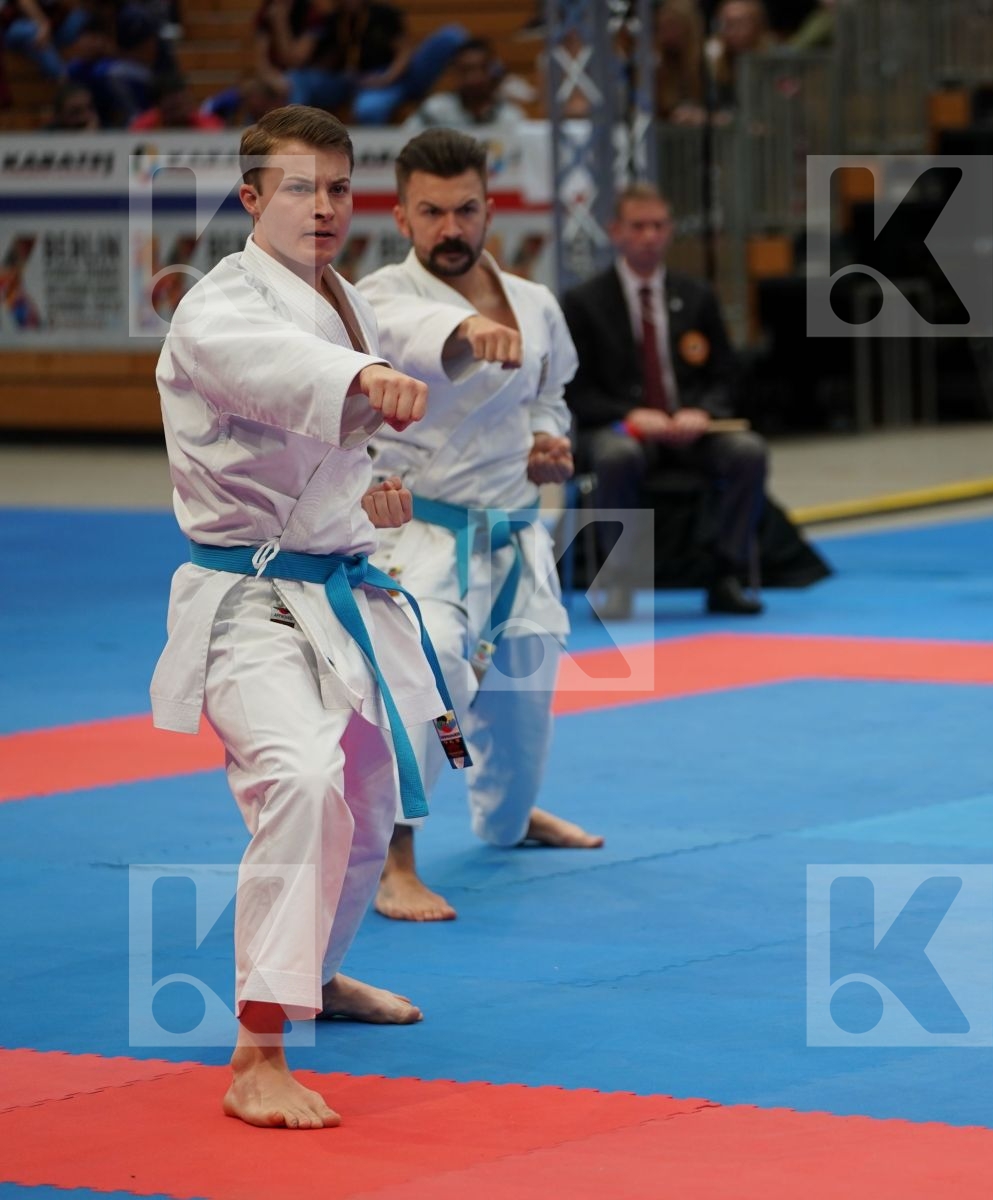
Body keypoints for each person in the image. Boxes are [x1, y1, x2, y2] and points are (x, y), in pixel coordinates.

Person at [150, 105, 464, 1126]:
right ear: (251, 197)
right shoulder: (219, 307)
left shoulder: (335, 300)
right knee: (300, 779)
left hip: (336, 590)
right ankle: (256, 1054)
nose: (323, 207)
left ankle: (314, 977)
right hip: (245, 599)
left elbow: (331, 441)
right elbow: (274, 373)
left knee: (368, 799)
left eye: (336, 187)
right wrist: (364, 377)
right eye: (299, 187)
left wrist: (371, 485)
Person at [356, 128, 603, 923]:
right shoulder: (376, 298)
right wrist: (462, 334)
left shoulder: (536, 304)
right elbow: (400, 341)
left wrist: (545, 439)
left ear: (490, 208)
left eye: (465, 210)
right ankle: (396, 857)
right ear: (401, 216)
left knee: (526, 684)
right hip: (425, 537)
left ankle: (508, 815)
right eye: (431, 213)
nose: (450, 229)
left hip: (517, 531)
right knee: (430, 684)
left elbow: (549, 393)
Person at [561, 182, 766, 618]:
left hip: (692, 431)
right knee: (616, 455)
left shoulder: (697, 296)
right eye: (638, 226)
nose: (649, 235)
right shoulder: (584, 303)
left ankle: (725, 573)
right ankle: (620, 582)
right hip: (622, 429)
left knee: (748, 452)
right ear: (615, 231)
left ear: (670, 231)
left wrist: (704, 411)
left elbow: (727, 376)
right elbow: (577, 392)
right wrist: (629, 415)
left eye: (658, 225)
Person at [279, 0, 469, 125]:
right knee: (298, 78)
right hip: (351, 80)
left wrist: (385, 79)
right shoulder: (332, 21)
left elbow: (404, 52)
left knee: (452, 34)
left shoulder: (381, 15)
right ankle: (291, 129)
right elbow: (306, 60)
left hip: (389, 77)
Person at [401, 37, 525, 130]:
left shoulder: (510, 116)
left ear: (493, 70)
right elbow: (403, 140)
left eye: (482, 68)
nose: (474, 77)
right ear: (455, 71)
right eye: (466, 70)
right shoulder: (435, 110)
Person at [128, 69, 226, 129]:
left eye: (183, 106)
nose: (179, 113)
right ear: (158, 106)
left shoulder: (210, 126)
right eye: (173, 108)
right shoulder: (142, 128)